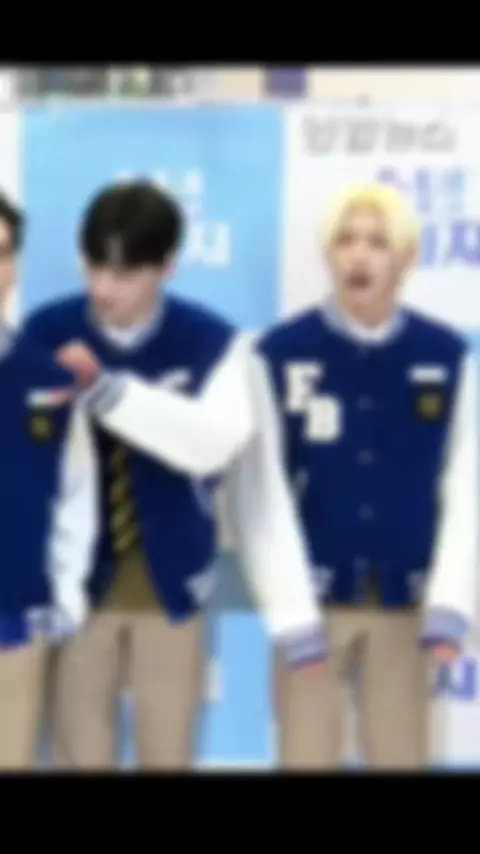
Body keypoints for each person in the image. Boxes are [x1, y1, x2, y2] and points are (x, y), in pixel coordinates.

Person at [25, 180, 324, 769]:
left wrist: (108, 393)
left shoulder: (214, 344)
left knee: (168, 756)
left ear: (167, 266)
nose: (103, 288)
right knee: (77, 755)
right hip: (75, 594)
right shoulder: (44, 334)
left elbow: (214, 447)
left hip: (172, 590)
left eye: (124, 273)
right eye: (94, 267)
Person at [258, 182, 478, 769]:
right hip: (313, 606)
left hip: (406, 607)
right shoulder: (281, 352)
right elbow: (262, 494)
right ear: (328, 254)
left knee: (402, 757)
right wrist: (290, 609)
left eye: (378, 242)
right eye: (346, 240)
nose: (359, 255)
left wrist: (450, 603)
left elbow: (466, 486)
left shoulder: (446, 354)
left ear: (406, 257)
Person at [0, 191, 98, 768]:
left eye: (1, 253)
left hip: (15, 625)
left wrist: (65, 594)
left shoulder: (50, 379)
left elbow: (75, 494)